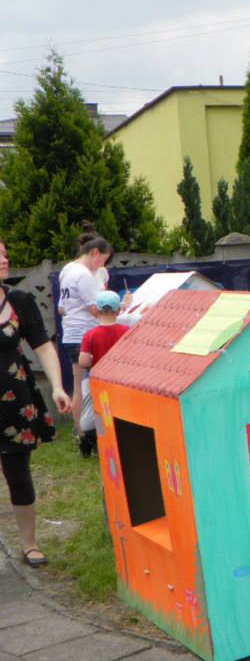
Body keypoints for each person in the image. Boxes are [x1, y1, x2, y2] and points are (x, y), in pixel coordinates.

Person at [0, 241, 72, 568]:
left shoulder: (20, 301)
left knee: (18, 473)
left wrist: (57, 386)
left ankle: (29, 544)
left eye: (4, 253)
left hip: (16, 404)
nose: (5, 259)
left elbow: (43, 347)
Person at [58, 234, 111, 425]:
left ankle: (80, 434)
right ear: (95, 252)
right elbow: (95, 309)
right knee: (90, 386)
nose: (100, 267)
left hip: (70, 333)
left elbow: (61, 307)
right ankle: (89, 431)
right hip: (85, 335)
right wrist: (117, 307)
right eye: (102, 261)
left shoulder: (67, 270)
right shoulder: (84, 274)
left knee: (78, 386)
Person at [77, 291, 129, 457]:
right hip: (120, 379)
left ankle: (97, 441)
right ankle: (120, 441)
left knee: (98, 411)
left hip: (97, 379)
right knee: (118, 410)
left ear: (97, 311)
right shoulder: (126, 331)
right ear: (118, 311)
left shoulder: (90, 335)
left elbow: (83, 362)